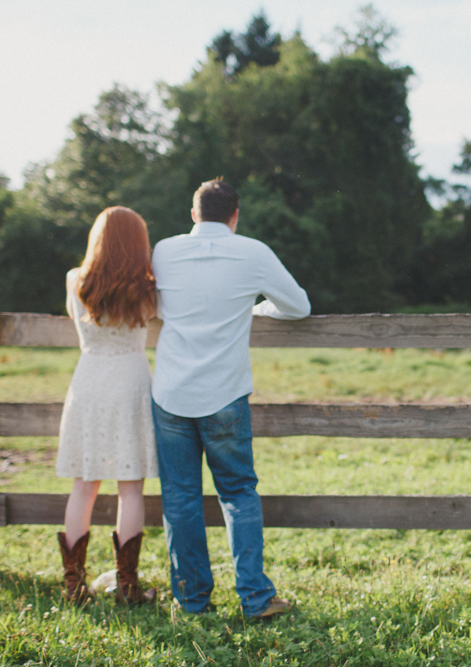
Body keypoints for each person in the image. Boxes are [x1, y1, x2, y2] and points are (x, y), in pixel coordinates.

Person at [151, 178, 310, 618]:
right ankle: (255, 598)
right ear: (235, 216)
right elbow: (299, 307)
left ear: (193, 213)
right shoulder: (253, 252)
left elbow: (159, 307)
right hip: (225, 394)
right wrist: (254, 308)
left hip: (171, 393)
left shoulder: (164, 250)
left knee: (180, 498)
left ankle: (191, 600)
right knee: (238, 493)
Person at [56, 206, 159, 605]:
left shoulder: (74, 280)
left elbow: (76, 319)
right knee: (131, 489)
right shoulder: (148, 286)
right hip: (131, 381)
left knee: (84, 485)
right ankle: (128, 586)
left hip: (90, 380)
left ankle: (74, 585)